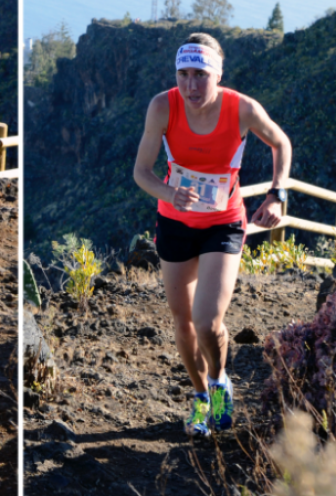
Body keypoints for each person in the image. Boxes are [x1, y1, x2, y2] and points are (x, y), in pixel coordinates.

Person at [133, 32, 291, 437]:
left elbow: (281, 143)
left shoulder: (242, 109)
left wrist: (277, 195)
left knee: (207, 322)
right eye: (183, 74)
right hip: (174, 223)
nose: (190, 85)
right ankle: (201, 396)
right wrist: (170, 193)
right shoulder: (162, 107)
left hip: (223, 223)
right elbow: (141, 172)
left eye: (200, 75)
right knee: (182, 322)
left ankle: (220, 382)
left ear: (217, 75)